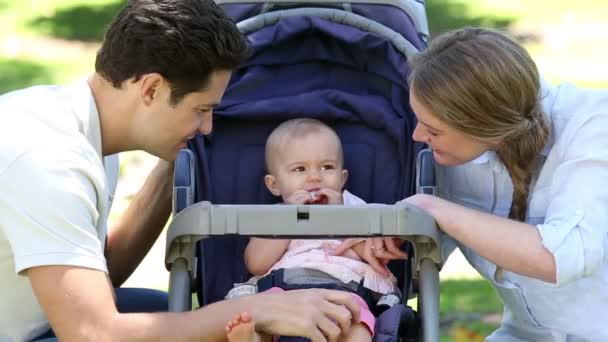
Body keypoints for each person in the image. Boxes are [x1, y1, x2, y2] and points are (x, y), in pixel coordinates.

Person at [0, 1, 363, 341]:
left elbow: (98, 277)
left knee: (184, 316)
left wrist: (173, 166)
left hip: (46, 323)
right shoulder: (49, 163)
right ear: (152, 88)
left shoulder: (83, 128)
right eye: (201, 109)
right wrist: (257, 306)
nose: (207, 128)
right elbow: (94, 332)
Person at [336, 27, 608, 341]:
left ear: (489, 129)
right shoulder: (453, 156)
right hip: (523, 334)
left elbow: (563, 256)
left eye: (434, 130)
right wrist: (382, 240)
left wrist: (433, 208)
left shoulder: (592, 124)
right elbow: (419, 269)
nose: (418, 137)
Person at [224, 118, 405, 342]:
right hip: (285, 289)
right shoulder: (274, 216)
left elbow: (378, 252)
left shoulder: (355, 208)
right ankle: (253, 337)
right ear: (274, 185)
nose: (315, 177)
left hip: (346, 291)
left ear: (342, 178)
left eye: (327, 167)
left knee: (360, 328)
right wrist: (288, 217)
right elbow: (256, 263)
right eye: (299, 169)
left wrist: (340, 216)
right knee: (265, 316)